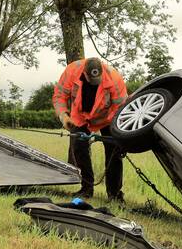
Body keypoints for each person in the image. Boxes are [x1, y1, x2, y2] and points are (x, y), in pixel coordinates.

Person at [52, 57, 128, 200]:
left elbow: (122, 109)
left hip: (107, 118)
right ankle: (86, 189)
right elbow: (59, 96)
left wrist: (119, 133)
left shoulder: (115, 78)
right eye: (91, 81)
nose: (95, 84)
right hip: (80, 117)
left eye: (98, 81)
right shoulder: (72, 71)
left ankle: (115, 194)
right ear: (85, 74)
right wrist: (64, 117)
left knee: (114, 151)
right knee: (78, 147)